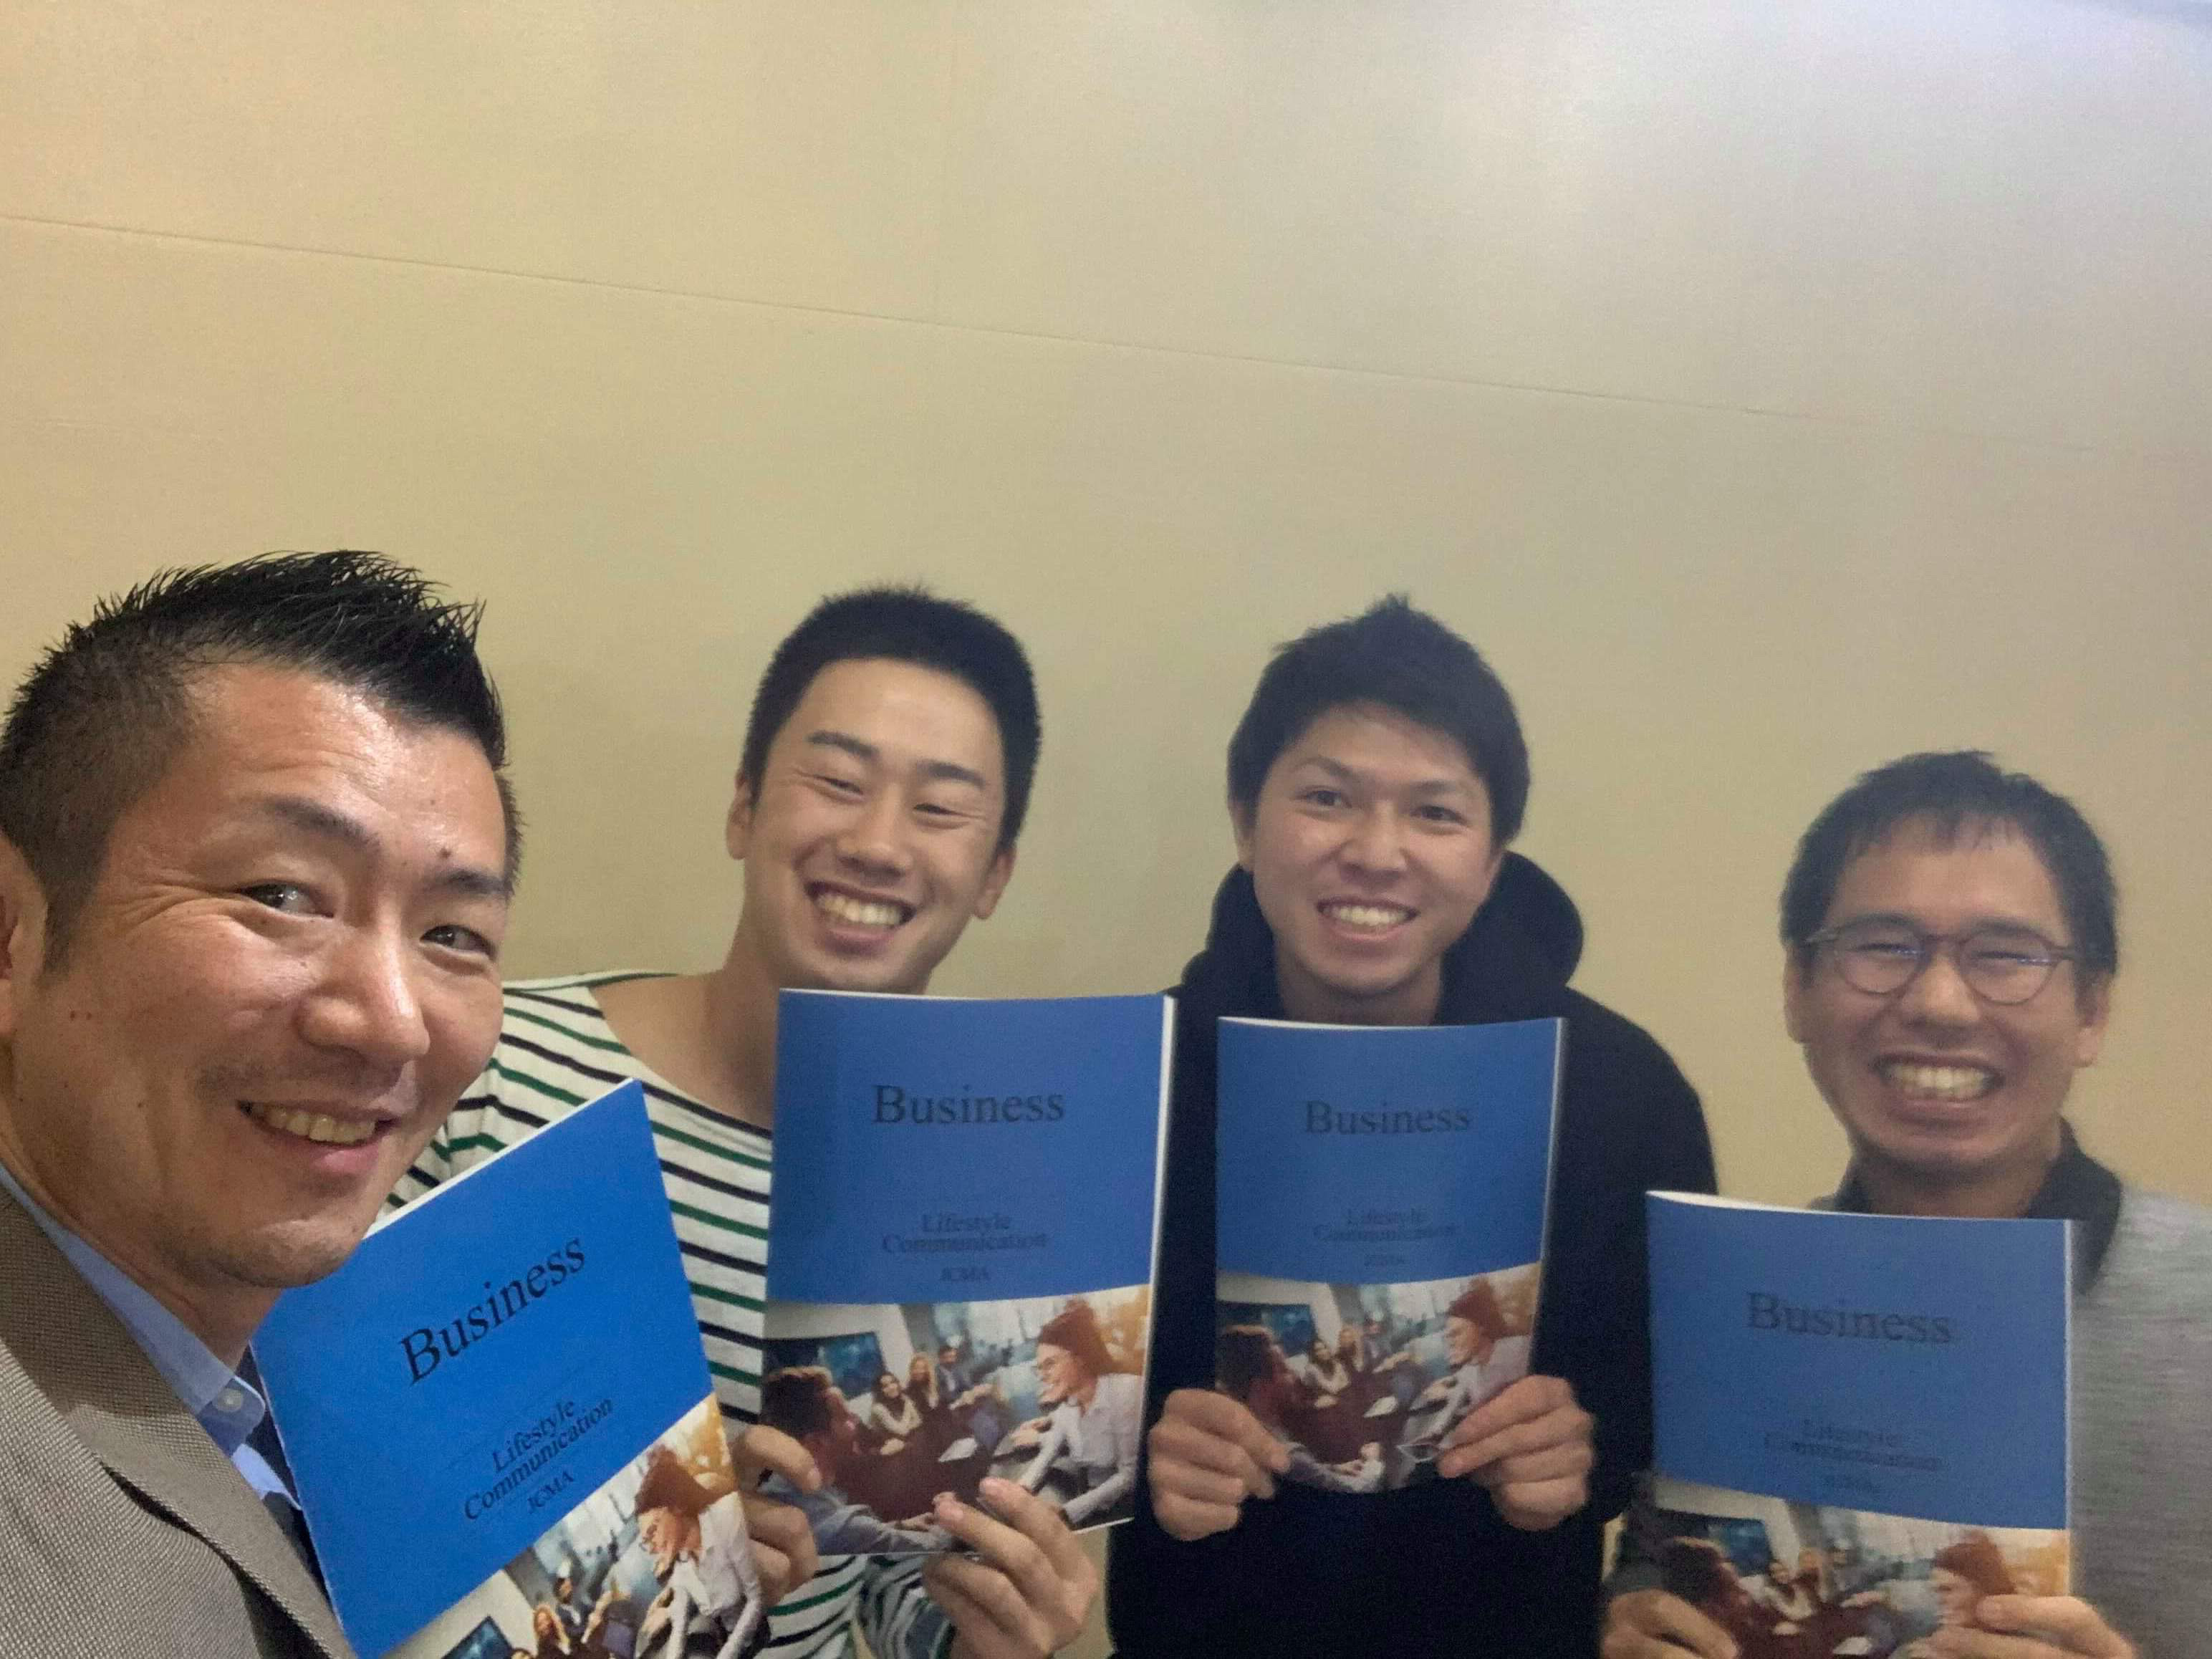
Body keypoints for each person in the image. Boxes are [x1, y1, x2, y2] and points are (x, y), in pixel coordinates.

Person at [395, 586, 1095, 1659]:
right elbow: (302, 1472)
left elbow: (890, 1590)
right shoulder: (484, 1067)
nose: (877, 842)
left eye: (940, 809)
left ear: (994, 873)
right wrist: (655, 1554)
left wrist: (983, 1632)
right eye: (838, 782)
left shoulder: (991, 1194)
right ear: (743, 807)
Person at [1114, 597, 1717, 1657]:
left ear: (1493, 858)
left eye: (1435, 813)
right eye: (1327, 798)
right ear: (1245, 822)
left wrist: (1583, 1450)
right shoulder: (1134, 1079)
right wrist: (1145, 1450)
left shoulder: (1621, 1092)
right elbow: (1057, 1401)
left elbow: (1672, 1411)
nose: (1376, 852)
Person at [0, 552, 519, 1658]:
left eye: (453, 935)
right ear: (11, 936)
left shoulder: (311, 1339)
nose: (393, 1024)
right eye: (281, 896)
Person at [1603, 751, 2212, 1659]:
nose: (1939, 1002)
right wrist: (1631, 1621)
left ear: (2090, 1009)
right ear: (1797, 989)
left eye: (2004, 956)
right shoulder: (1737, 1300)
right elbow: (1658, 1572)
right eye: (1882, 947)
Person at [754, 1366, 954, 1555]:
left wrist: (901, 1526)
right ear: (815, 1443)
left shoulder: (779, 1488)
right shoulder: (843, 1526)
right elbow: (937, 1545)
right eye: (846, 1417)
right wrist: (954, 1515)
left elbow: (857, 1536)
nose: (856, 1421)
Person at [1007, 1302, 1145, 1526]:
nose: (1042, 1376)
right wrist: (1020, 1489)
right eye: (1039, 1368)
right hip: (1096, 1496)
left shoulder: (1125, 1393)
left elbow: (1129, 1475)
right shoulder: (1069, 1406)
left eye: (1050, 1364)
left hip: (1132, 1506)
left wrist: (1066, 1512)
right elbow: (1048, 1453)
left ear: (1080, 1359)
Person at [1215, 1325, 1385, 1496]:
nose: (1294, 1375)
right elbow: (1359, 1490)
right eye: (1284, 1369)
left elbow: (1300, 1473)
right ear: (1260, 1387)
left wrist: (1332, 1469)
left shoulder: (1239, 1433)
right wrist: (1372, 1462)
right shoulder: (1284, 1453)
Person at [633, 1443, 766, 1659]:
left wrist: (726, 1655)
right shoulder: (683, 1565)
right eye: (646, 1540)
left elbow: (757, 1599)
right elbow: (680, 1626)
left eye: (652, 1531)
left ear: (676, 1507)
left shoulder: (726, 1517)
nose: (651, 1547)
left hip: (763, 1632)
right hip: (736, 1642)